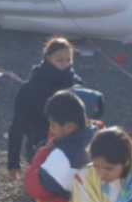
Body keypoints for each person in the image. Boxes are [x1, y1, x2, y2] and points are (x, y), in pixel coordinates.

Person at [7, 38, 83, 183]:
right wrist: (13, 162)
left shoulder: (77, 84)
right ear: (48, 59)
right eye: (59, 60)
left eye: (68, 59)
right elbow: (17, 125)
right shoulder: (30, 88)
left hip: (73, 144)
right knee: (44, 189)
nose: (64, 64)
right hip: (41, 144)